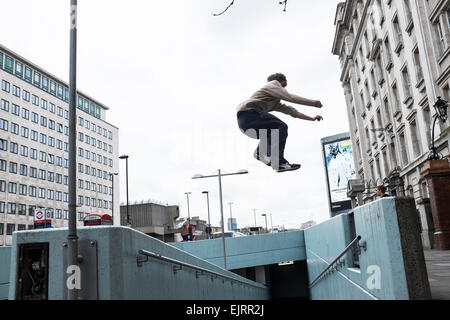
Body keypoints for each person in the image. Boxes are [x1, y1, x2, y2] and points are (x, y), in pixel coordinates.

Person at [236, 73, 323, 172]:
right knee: (280, 126)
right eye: (284, 86)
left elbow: (293, 112)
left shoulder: (275, 102)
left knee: (272, 131)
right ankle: (279, 163)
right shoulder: (273, 84)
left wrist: (312, 118)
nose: (284, 89)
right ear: (282, 81)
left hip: (245, 123)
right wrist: (314, 103)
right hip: (249, 114)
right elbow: (290, 97)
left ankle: (260, 153)